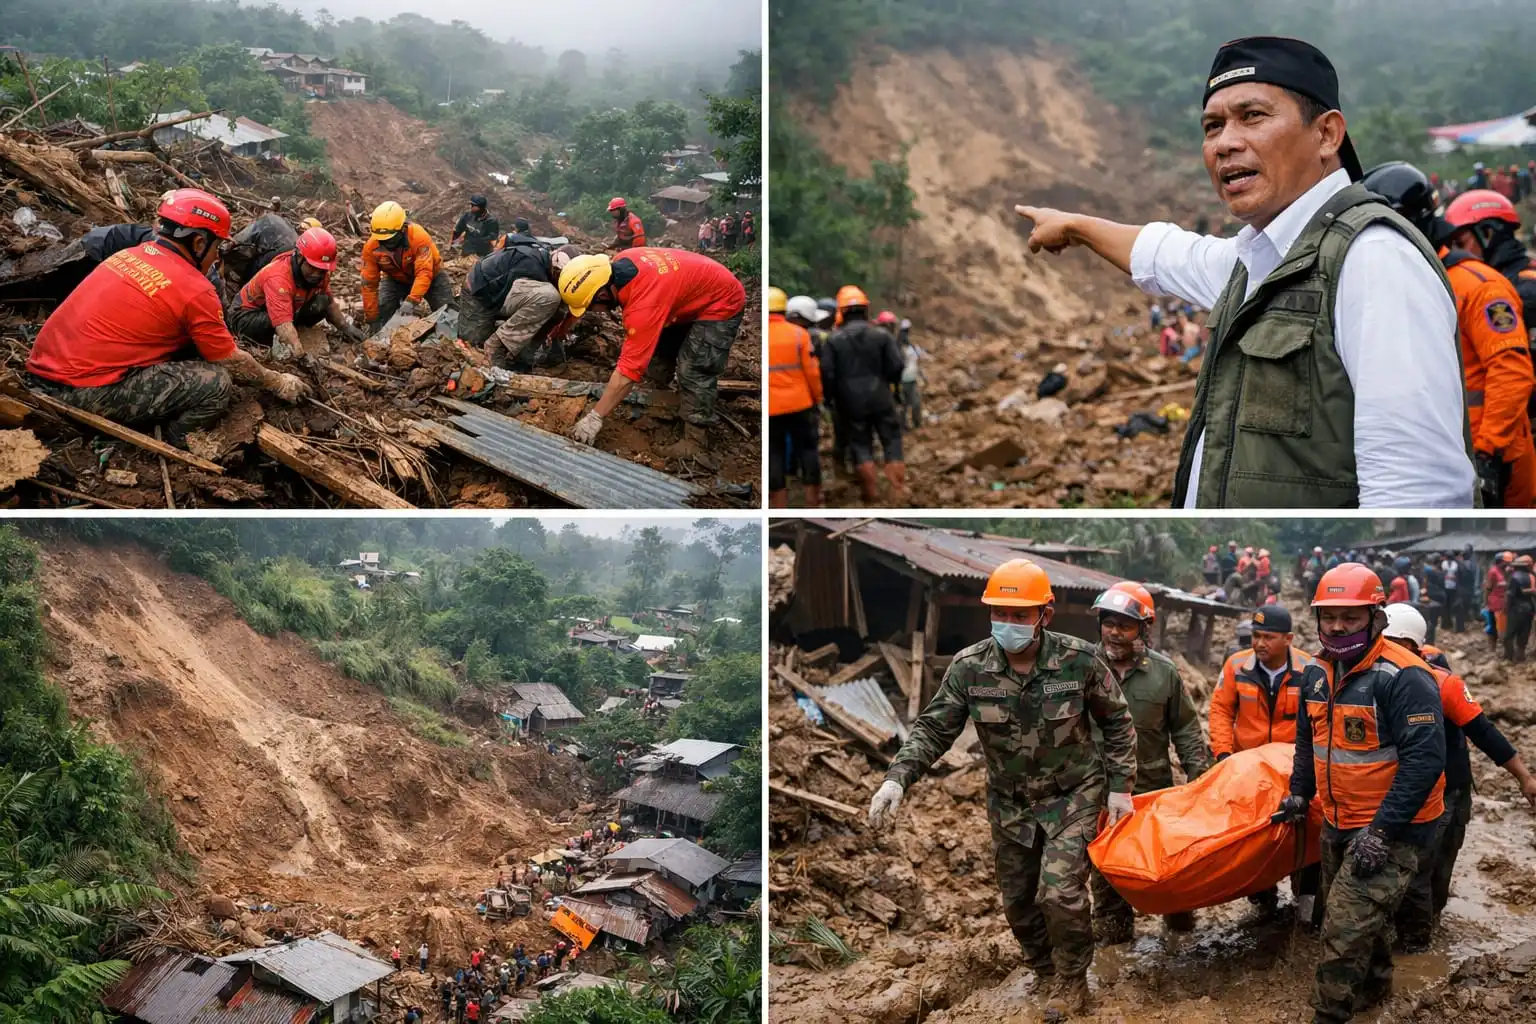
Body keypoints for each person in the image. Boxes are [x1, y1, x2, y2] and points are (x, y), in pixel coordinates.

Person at [1016, 38, 1474, 508]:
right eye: (1213, 126)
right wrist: (1077, 226)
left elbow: (1416, 489)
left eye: (1252, 116)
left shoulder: (1373, 259)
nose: (1225, 143)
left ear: (1326, 134)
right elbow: (1168, 253)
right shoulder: (1258, 261)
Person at [868, 558, 1137, 1017]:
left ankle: (1072, 980)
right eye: (1000, 613)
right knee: (1018, 902)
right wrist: (897, 777)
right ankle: (1044, 970)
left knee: (1060, 893)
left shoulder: (1079, 660)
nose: (1008, 623)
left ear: (1044, 615)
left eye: (1019, 614)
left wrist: (1120, 788)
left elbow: (1117, 723)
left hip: (1073, 793)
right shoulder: (969, 668)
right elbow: (933, 729)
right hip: (1011, 803)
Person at [1270, 564, 1446, 1024]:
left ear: (1376, 617)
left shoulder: (1404, 676)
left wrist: (1382, 832)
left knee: (1343, 928)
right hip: (1339, 818)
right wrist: (1299, 792)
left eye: (1350, 617)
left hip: (1395, 825)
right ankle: (1375, 987)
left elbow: (1425, 761)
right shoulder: (1315, 672)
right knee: (1358, 914)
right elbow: (1308, 739)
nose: (1337, 627)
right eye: (1329, 617)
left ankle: (1329, 1016)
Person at [23, 188, 310, 446]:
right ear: (199, 243)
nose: (217, 257)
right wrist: (277, 381)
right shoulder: (196, 290)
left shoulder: (128, 254)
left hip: (41, 371)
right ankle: (177, 440)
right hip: (77, 392)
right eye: (217, 247)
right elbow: (232, 362)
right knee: (216, 383)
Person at [1368, 170, 1536, 507]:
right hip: (1442, 454)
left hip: (1493, 458)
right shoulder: (1408, 281)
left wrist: (1487, 453)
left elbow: (1511, 372)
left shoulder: (1478, 286)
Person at [1380, 603, 1536, 951]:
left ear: (1412, 646)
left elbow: (1483, 732)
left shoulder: (1441, 683)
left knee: (1429, 865)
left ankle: (1419, 943)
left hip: (1447, 788)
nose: (1383, 651)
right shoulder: (1368, 680)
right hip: (1397, 788)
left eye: (1391, 643)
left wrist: (1524, 777)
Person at [1086, 582, 1209, 945]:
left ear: (1144, 628)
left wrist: (1198, 778)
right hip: (1097, 791)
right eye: (1109, 623)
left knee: (1168, 868)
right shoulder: (1082, 668)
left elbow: (1186, 728)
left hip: (1152, 790)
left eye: (1124, 625)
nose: (1114, 632)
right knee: (1106, 872)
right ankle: (1114, 942)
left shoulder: (1163, 672)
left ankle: (1181, 934)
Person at [556, 250, 745, 465]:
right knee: (658, 347)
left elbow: (628, 371)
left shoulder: (643, 305)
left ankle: (696, 442)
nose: (593, 312)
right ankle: (659, 397)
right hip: (686, 291)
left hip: (722, 300)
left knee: (693, 369)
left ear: (603, 295)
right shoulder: (619, 262)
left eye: (590, 307)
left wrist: (595, 417)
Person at [1209, 604, 1323, 917]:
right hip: (1249, 769)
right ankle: (1262, 899)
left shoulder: (1310, 670)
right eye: (1256, 636)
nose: (1260, 643)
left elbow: (1320, 721)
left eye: (1268, 637)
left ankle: (1306, 899)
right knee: (1254, 836)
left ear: (1288, 639)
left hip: (1294, 769)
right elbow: (1220, 711)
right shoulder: (1236, 666)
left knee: (1305, 829)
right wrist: (1224, 755)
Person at [1440, 190, 1536, 406]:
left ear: (1488, 234)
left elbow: (1513, 375)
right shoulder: (1502, 279)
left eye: (1461, 243)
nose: (1456, 252)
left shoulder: (1520, 291)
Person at [822, 285, 906, 503]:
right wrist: (888, 383)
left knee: (860, 444)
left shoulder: (834, 340)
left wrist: (830, 398)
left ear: (841, 311)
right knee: (892, 439)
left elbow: (827, 373)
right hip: (880, 395)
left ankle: (871, 493)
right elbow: (897, 366)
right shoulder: (882, 335)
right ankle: (897, 489)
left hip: (850, 401)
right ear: (866, 309)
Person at [226, 227, 365, 355]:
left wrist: (345, 327)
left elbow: (329, 302)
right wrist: (301, 355)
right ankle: (274, 345)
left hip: (284, 311)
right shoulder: (278, 277)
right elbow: (283, 324)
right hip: (245, 318)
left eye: (321, 270)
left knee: (321, 301)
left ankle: (294, 334)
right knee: (277, 324)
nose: (316, 274)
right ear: (299, 257)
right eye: (312, 267)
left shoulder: (320, 275)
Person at [457, 240, 582, 369]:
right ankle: (496, 347)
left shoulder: (548, 267)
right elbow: (514, 296)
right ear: (556, 267)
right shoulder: (530, 264)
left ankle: (525, 353)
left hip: (503, 296)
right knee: (471, 346)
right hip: (479, 295)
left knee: (558, 305)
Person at [768, 288, 824, 508]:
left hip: (772, 408)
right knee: (808, 449)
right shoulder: (799, 334)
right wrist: (817, 398)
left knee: (774, 453)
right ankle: (813, 501)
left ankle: (779, 504)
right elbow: (812, 372)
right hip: (800, 403)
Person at [361, 202, 453, 331]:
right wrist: (372, 319)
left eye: (391, 239)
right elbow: (369, 284)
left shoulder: (418, 237)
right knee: (383, 308)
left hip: (432, 276)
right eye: (382, 240)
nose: (387, 243)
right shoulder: (371, 248)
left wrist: (412, 301)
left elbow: (424, 273)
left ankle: (449, 337)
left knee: (447, 313)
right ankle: (387, 336)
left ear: (402, 229)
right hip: (396, 279)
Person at [222, 207, 298, 289]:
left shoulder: (263, 222)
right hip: (295, 250)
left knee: (255, 269)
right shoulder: (277, 218)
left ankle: (246, 288)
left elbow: (241, 239)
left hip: (278, 251)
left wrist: (225, 250)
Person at [1505, 553, 1536, 661]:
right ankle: (1521, 656)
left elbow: (1510, 595)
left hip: (1516, 608)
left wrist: (1506, 608)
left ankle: (1509, 657)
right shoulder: (1532, 577)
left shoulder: (1514, 577)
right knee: (1524, 633)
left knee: (1509, 634)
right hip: (1529, 608)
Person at [896, 317, 923, 429]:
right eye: (904, 331)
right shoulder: (897, 347)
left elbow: (916, 362)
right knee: (903, 405)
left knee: (915, 403)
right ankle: (903, 426)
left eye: (906, 331)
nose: (905, 334)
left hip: (911, 379)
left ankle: (917, 424)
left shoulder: (912, 347)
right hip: (901, 380)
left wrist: (921, 375)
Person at [1486, 550, 1511, 655]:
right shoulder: (1493, 572)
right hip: (1495, 603)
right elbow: (1488, 588)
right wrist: (1486, 602)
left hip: (1505, 603)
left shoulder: (1507, 572)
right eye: (1506, 562)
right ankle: (1492, 649)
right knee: (1494, 627)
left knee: (1505, 627)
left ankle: (1505, 649)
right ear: (1500, 562)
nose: (1508, 564)